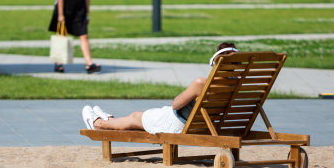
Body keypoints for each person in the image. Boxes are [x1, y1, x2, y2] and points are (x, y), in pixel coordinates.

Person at [82, 42, 238, 133]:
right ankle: (109, 119)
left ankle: (98, 124)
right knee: (137, 118)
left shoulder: (201, 83)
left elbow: (176, 105)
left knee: (135, 117)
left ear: (215, 63)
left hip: (180, 124)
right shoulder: (236, 84)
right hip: (206, 125)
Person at [48, 0, 100, 74]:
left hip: (80, 12)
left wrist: (87, 14)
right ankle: (58, 63)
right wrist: (60, 15)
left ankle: (89, 64)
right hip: (65, 11)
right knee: (62, 36)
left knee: (84, 36)